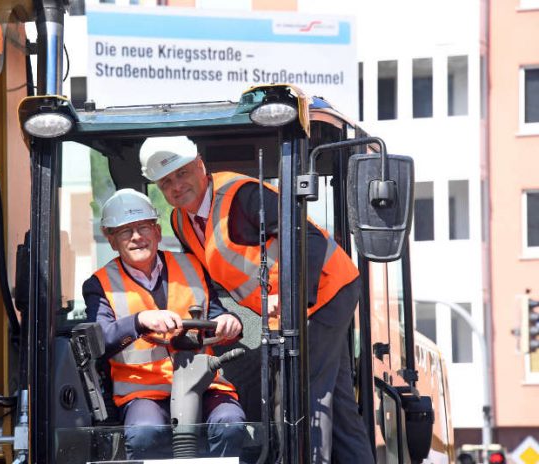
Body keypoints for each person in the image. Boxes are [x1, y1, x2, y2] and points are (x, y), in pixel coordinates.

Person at [139, 136, 374, 464]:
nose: (177, 186)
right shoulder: (180, 221)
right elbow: (205, 279)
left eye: (181, 173)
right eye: (166, 182)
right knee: (340, 407)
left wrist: (291, 299)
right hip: (293, 305)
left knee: (298, 395)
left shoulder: (241, 196)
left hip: (323, 289)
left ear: (200, 167)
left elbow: (305, 237)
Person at [82, 188, 247, 460]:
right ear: (111, 240)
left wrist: (230, 322)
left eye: (143, 227)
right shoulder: (99, 284)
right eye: (125, 231)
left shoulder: (193, 265)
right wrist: (139, 321)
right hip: (144, 391)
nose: (136, 237)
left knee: (230, 423)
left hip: (203, 383)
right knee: (146, 432)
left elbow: (215, 313)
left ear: (157, 232)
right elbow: (98, 340)